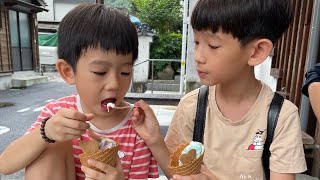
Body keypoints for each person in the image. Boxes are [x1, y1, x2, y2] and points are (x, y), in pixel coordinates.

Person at [132, 0, 307, 179]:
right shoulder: (192, 106)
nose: (198, 57)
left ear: (256, 52)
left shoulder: (281, 117)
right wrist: (154, 139)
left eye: (213, 46)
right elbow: (177, 172)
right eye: (197, 42)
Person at [0, 4, 159, 180]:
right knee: (51, 143)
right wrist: (45, 132)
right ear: (68, 71)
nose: (114, 84)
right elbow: (5, 165)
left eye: (125, 72)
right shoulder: (57, 113)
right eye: (100, 72)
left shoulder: (137, 125)